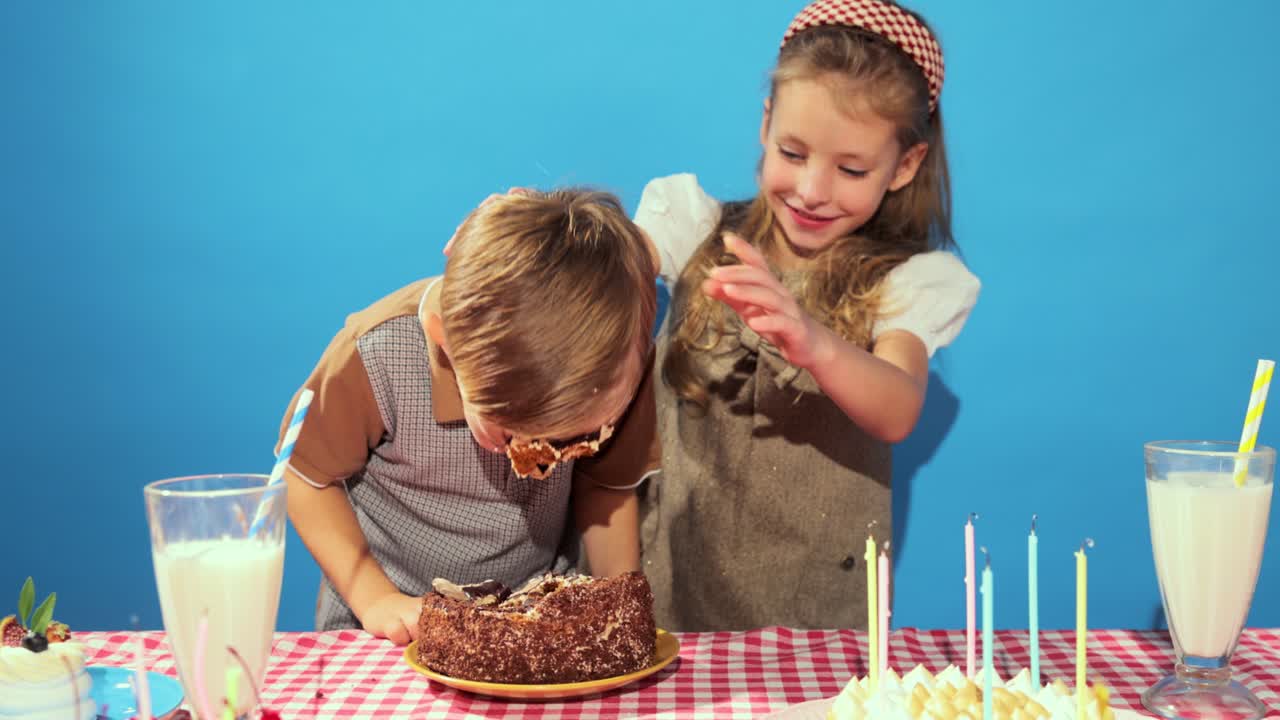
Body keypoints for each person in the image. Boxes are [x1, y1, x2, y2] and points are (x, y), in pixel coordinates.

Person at [635, 0, 981, 631]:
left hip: (815, 614)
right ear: (766, 123)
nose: (813, 190)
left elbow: (899, 407)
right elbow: (611, 263)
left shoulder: (904, 282)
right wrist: (555, 238)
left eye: (851, 169)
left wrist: (814, 343)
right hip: (676, 593)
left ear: (905, 165)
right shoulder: (695, 227)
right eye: (793, 153)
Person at [277, 189, 658, 644]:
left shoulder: (616, 364)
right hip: (388, 623)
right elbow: (305, 476)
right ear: (447, 343)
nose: (542, 456)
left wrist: (618, 604)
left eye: (574, 441)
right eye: (513, 431)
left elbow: (605, 485)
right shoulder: (378, 355)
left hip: (530, 618)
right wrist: (371, 595)